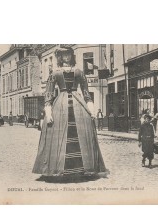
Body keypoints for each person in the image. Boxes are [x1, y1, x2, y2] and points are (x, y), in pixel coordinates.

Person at [32, 47, 107, 177]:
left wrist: (91, 110)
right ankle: (58, 168)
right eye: (63, 55)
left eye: (68, 54)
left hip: (78, 105)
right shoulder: (55, 74)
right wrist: (48, 113)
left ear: (72, 56)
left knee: (82, 134)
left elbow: (86, 93)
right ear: (60, 57)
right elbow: (48, 95)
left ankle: (83, 167)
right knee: (59, 134)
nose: (66, 57)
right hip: (60, 105)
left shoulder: (79, 72)